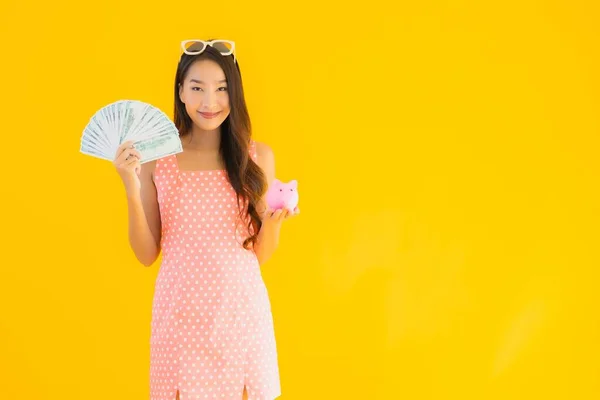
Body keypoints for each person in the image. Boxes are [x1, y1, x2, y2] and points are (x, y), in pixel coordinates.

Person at [112, 39, 298, 400]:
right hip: (180, 321)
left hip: (240, 317)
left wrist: (273, 223)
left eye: (221, 88)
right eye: (197, 88)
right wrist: (130, 187)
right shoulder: (156, 159)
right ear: (181, 91)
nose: (209, 102)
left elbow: (257, 255)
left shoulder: (256, 157)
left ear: (235, 93)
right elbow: (146, 253)